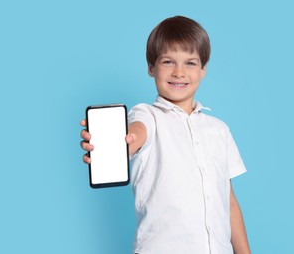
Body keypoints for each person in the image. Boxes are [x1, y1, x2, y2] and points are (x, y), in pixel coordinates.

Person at [80, 16, 251, 254]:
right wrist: (121, 143)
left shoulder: (219, 130)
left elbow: (229, 202)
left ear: (203, 70)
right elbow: (137, 132)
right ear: (151, 67)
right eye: (168, 61)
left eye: (190, 63)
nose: (179, 72)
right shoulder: (147, 115)